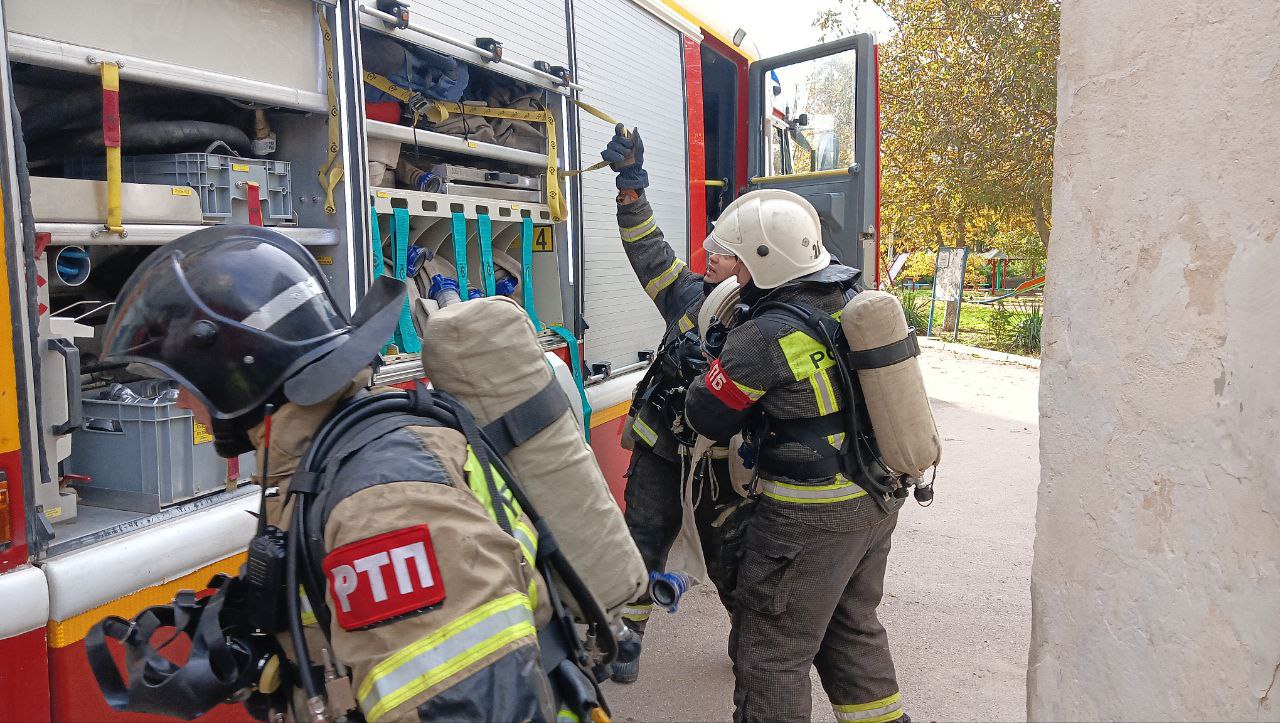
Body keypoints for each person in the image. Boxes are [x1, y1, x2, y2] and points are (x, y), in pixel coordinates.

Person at [97, 226, 584, 722]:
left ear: (238, 371)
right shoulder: (325, 463)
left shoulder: (382, 511)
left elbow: (473, 707)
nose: (181, 400)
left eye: (187, 382)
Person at [683, 190, 909, 723]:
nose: (730, 271)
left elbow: (707, 416)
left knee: (770, 653)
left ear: (765, 259)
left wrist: (707, 365)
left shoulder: (764, 335)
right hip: (875, 499)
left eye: (737, 259)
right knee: (851, 629)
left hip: (809, 520)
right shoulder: (849, 296)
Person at [600, 125, 747, 683]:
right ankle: (627, 638)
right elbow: (648, 250)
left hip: (723, 469)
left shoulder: (769, 324)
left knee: (731, 558)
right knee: (642, 536)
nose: (709, 252)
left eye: (725, 250)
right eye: (713, 243)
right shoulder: (691, 296)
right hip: (664, 448)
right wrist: (631, 186)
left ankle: (749, 639)